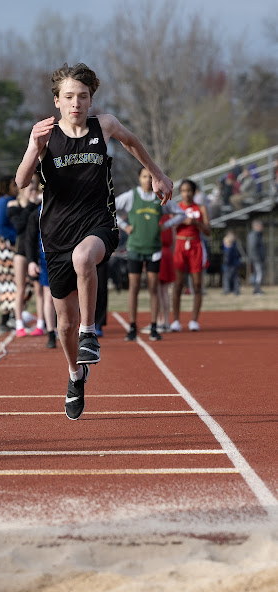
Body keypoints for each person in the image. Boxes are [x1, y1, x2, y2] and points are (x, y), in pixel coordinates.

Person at [15, 62, 173, 420]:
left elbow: (131, 142)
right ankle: (75, 375)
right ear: (57, 101)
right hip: (56, 234)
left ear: (91, 99)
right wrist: (32, 146)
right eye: (69, 97)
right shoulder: (45, 134)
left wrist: (158, 174)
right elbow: (22, 181)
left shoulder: (105, 126)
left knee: (84, 258)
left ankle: (90, 333)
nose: (76, 103)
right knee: (63, 324)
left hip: (99, 222)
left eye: (83, 96)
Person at [116, 166, 184, 342]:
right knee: (134, 288)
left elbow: (181, 213)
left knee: (154, 288)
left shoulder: (159, 197)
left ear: (155, 180)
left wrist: (165, 225)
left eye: (150, 177)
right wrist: (124, 226)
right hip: (135, 248)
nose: (147, 180)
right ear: (139, 178)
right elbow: (110, 208)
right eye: (144, 176)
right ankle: (132, 327)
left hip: (154, 249)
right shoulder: (131, 196)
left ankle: (154, 327)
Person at [171, 179, 211, 332]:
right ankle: (175, 320)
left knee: (197, 285)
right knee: (178, 284)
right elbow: (170, 227)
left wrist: (196, 223)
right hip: (180, 245)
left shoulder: (201, 208)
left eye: (189, 191)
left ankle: (194, 320)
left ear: (194, 192)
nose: (186, 194)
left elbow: (208, 231)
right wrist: (181, 222)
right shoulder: (176, 208)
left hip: (195, 245)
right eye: (183, 191)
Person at [6, 176, 39, 337]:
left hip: (36, 250)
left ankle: (42, 323)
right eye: (29, 186)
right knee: (20, 289)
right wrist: (31, 204)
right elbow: (19, 225)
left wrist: (35, 203)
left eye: (34, 186)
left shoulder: (39, 203)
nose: (32, 189)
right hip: (21, 251)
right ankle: (19, 323)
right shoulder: (13, 205)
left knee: (39, 289)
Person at [25, 203, 57, 348]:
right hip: (46, 260)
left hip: (67, 259)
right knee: (48, 298)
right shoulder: (37, 212)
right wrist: (31, 261)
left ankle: (68, 328)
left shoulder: (67, 205)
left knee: (69, 297)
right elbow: (30, 239)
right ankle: (51, 333)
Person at [0, 175, 18, 333]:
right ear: (6, 187)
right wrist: (17, 238)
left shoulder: (11, 201)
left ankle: (10, 317)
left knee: (14, 283)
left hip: (8, 245)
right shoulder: (3, 202)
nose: (17, 187)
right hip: (3, 247)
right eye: (14, 185)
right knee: (7, 283)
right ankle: (6, 319)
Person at [247, 219, 266, 294]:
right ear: (257, 226)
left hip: (257, 258)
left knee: (257, 273)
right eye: (261, 226)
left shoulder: (258, 235)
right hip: (256, 259)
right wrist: (257, 258)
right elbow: (253, 248)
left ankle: (257, 289)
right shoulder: (254, 235)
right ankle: (257, 289)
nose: (262, 227)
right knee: (258, 273)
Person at [222, 230, 241, 295]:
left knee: (226, 278)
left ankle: (227, 290)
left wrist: (225, 264)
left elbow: (227, 259)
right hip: (235, 265)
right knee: (235, 278)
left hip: (230, 265)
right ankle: (236, 290)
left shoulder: (228, 249)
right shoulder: (234, 247)